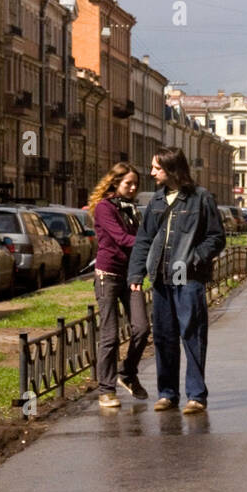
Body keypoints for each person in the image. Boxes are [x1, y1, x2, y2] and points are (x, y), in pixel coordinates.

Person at [127, 148, 226, 415]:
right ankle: (167, 393)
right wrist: (136, 274)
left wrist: (195, 257)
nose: (151, 173)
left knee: (192, 335)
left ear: (171, 169)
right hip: (160, 278)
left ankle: (196, 396)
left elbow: (216, 237)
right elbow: (144, 240)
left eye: (156, 168)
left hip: (188, 279)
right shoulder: (156, 201)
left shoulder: (200, 198)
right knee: (164, 337)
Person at [88, 161, 150, 408]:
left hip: (130, 275)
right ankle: (106, 390)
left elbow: (135, 239)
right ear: (115, 183)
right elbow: (122, 239)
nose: (133, 187)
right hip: (108, 275)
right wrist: (149, 242)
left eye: (136, 183)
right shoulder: (105, 208)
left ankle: (127, 372)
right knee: (110, 335)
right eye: (128, 183)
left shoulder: (132, 209)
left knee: (142, 328)